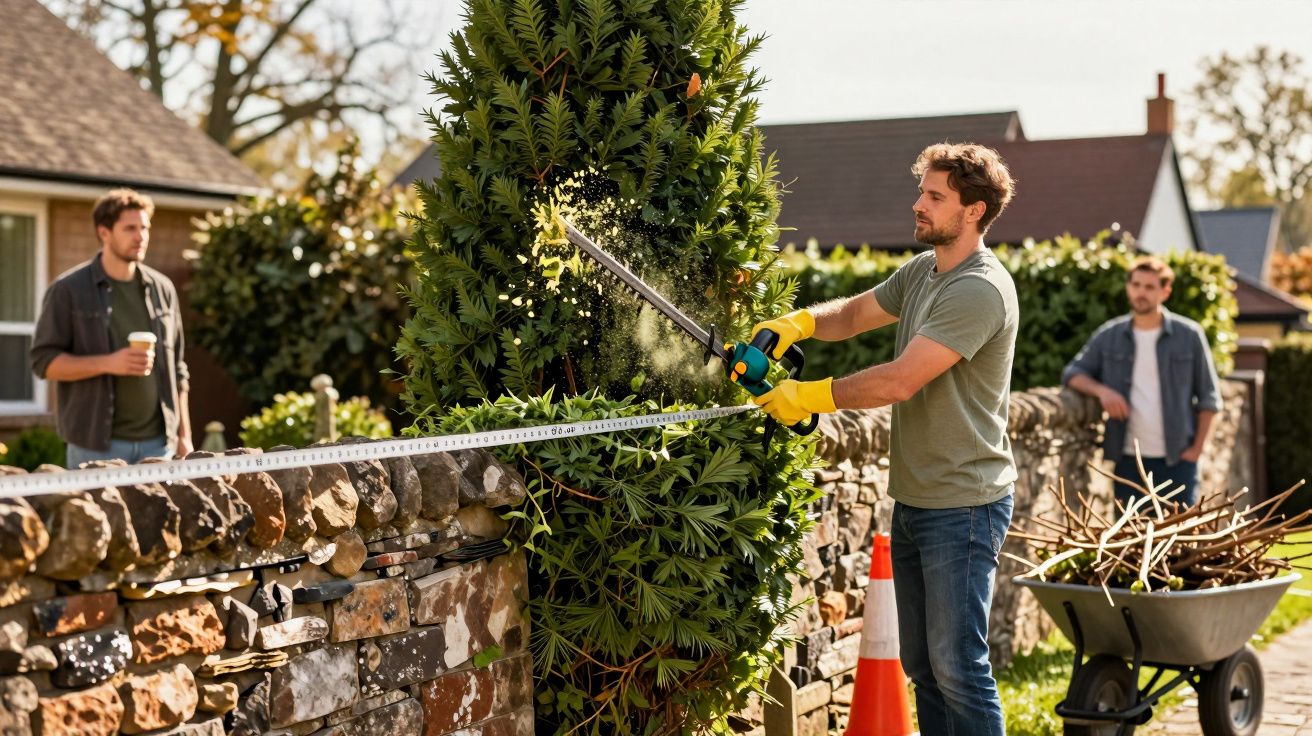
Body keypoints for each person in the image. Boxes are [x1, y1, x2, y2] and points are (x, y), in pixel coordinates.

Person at [751, 143, 1018, 735]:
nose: (917, 204)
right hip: (918, 499)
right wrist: (796, 322)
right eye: (922, 192)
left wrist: (806, 396)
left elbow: (900, 380)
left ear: (973, 211)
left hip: (965, 505)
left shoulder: (979, 289)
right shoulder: (924, 272)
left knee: (959, 666)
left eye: (935, 196)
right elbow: (850, 315)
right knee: (924, 665)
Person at [30, 188, 193, 467]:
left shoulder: (163, 290)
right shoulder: (68, 290)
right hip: (95, 447)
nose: (140, 236)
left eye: (144, 227)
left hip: (159, 445)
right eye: (130, 228)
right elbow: (44, 363)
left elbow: (178, 368)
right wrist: (109, 363)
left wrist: (184, 434)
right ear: (104, 232)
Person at [1061, 256, 1220, 507]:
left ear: (1165, 292)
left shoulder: (1189, 336)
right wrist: (1103, 392)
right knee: (1127, 539)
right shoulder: (1109, 335)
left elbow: (1209, 398)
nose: (1141, 293)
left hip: (1178, 459)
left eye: (1149, 287)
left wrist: (1196, 451)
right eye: (1136, 285)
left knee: (1180, 539)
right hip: (1128, 461)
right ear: (1128, 287)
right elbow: (1073, 374)